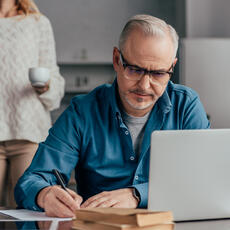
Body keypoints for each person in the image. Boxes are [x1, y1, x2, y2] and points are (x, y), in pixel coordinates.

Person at [15, 14, 209, 217]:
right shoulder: (83, 112)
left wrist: (137, 195)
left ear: (172, 67)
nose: (144, 86)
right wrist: (45, 195)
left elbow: (206, 179)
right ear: (117, 59)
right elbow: (31, 181)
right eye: (134, 70)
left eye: (158, 73)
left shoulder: (186, 106)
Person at [0, 0, 65, 207]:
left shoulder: (38, 23)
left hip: (29, 132)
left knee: (25, 212)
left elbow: (54, 82)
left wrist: (45, 87)